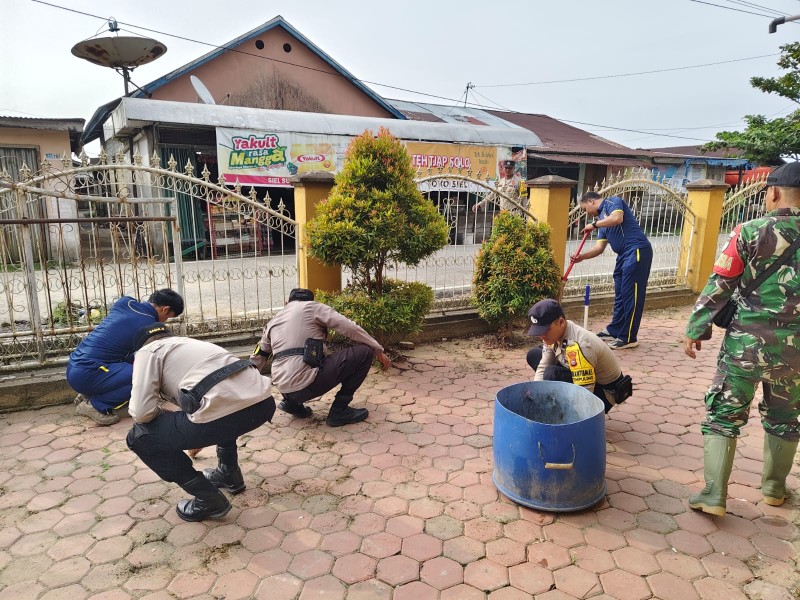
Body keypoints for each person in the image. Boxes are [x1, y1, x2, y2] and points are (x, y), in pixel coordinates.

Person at [683, 161, 800, 517]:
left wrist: (696, 328)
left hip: (745, 347)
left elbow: (721, 283)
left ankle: (714, 494)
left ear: (774, 192)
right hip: (796, 354)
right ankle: (774, 489)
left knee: (724, 414)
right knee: (786, 418)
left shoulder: (751, 231)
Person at [126, 323, 276, 522]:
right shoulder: (193, 344)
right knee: (221, 405)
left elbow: (141, 413)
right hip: (264, 404)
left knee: (139, 437)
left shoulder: (148, 351)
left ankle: (208, 498)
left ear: (140, 347)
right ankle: (228, 473)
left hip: (227, 415)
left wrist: (173, 420)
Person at [250, 288, 391, 427]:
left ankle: (292, 404)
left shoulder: (274, 320)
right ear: (311, 301)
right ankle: (339, 410)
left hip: (283, 387)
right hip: (305, 385)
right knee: (364, 352)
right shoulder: (312, 307)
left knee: (292, 360)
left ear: (287, 302)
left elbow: (258, 355)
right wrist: (377, 350)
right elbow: (350, 328)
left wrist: (244, 383)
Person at [66, 289, 185, 425]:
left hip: (75, 367)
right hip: (89, 372)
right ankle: (94, 405)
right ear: (165, 309)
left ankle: (90, 392)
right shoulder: (151, 326)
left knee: (135, 358)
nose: (166, 321)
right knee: (146, 375)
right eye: (169, 317)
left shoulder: (125, 302)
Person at [571, 191, 653, 350]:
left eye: (585, 208)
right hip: (623, 255)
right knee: (621, 295)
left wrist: (594, 225)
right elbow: (599, 248)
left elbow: (617, 218)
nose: (586, 213)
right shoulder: (601, 221)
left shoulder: (612, 202)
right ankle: (615, 330)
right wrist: (583, 256)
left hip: (636, 251)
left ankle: (628, 337)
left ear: (591, 201)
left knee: (632, 296)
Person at [526, 299, 631, 414]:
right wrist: (537, 395)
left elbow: (585, 393)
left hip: (602, 394)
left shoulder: (580, 345)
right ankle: (555, 401)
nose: (542, 336)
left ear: (561, 322)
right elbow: (544, 364)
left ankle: (561, 409)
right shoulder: (556, 334)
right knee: (534, 355)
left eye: (546, 331)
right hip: (580, 376)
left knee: (551, 373)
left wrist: (572, 421)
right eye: (539, 331)